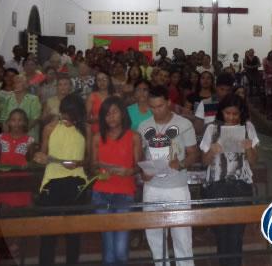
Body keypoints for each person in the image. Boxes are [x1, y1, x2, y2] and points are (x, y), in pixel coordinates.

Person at [138, 86, 199, 266]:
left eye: (160, 106)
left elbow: (194, 154)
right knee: (154, 236)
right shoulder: (144, 126)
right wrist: (145, 173)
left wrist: (180, 164)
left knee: (182, 237)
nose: (157, 111)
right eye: (153, 107)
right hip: (152, 188)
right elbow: (142, 156)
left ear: (169, 103)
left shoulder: (184, 124)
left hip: (177, 187)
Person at [201, 94, 258, 266]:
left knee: (236, 235)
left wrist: (249, 149)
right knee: (221, 234)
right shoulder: (212, 129)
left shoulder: (248, 128)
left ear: (241, 113)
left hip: (240, 187)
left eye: (235, 114)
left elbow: (254, 161)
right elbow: (204, 161)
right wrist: (212, 151)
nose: (232, 118)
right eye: (228, 114)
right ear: (221, 112)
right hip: (217, 187)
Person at [33, 94, 88, 266]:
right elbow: (41, 154)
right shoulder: (50, 128)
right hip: (52, 182)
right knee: (48, 234)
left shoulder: (86, 129)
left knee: (73, 234)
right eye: (65, 114)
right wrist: (40, 157)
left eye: (72, 116)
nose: (67, 119)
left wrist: (78, 163)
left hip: (77, 182)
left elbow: (90, 161)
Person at [92, 97, 142, 266]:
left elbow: (139, 166)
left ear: (122, 113)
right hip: (101, 192)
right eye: (106, 114)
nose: (111, 117)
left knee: (120, 250)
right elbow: (92, 165)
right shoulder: (98, 137)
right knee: (108, 250)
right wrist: (100, 169)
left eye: (114, 112)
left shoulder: (134, 136)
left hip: (124, 192)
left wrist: (129, 171)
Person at [0, 109, 35, 265]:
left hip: (21, 182)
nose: (17, 123)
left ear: (25, 122)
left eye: (20, 120)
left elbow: (31, 161)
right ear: (8, 122)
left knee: (20, 215)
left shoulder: (29, 140)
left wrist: (27, 165)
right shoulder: (1, 138)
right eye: (13, 120)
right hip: (4, 182)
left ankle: (17, 244)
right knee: (3, 216)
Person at [0, 75, 42, 141]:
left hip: (28, 134)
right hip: (10, 135)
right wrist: (7, 133)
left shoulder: (33, 99)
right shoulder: (8, 99)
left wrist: (21, 134)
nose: (16, 84)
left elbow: (35, 118)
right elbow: (3, 119)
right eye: (15, 82)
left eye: (19, 82)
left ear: (26, 85)